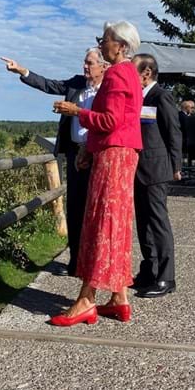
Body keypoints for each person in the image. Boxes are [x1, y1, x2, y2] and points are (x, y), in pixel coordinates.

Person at [49, 21, 143, 326]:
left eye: (105, 40)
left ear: (121, 46)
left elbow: (110, 120)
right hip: (121, 152)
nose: (102, 44)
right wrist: (88, 149)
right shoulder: (130, 73)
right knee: (115, 222)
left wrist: (76, 112)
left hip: (114, 155)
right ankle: (119, 297)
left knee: (101, 222)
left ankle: (86, 300)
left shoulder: (116, 74)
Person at [0, 49, 108, 276]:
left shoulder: (109, 88)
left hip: (99, 156)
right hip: (74, 154)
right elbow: (50, 85)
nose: (85, 67)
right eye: (84, 62)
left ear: (103, 66)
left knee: (98, 210)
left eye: (89, 63)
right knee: (75, 208)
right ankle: (76, 262)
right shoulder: (77, 83)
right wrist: (22, 71)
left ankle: (95, 263)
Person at [131, 54, 182, 298]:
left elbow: (173, 131)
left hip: (156, 168)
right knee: (143, 223)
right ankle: (148, 271)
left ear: (147, 73)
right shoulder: (136, 97)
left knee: (158, 223)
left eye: (134, 71)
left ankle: (166, 277)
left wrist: (176, 165)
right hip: (137, 169)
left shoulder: (161, 96)